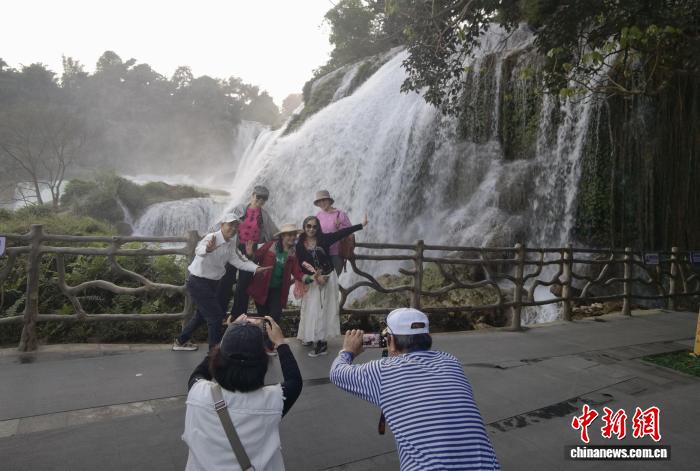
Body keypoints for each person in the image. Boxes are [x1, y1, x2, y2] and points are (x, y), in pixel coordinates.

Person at [330, 308, 501, 470]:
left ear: (390, 341)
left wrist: (348, 351)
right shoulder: (451, 362)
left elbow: (337, 372)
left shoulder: (382, 371)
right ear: (428, 337)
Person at [183, 315, 302, 471]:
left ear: (218, 359)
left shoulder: (198, 393)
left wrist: (228, 337)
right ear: (262, 364)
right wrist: (280, 342)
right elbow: (295, 381)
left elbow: (199, 373)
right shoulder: (273, 402)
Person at [173, 212, 271, 352]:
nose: (233, 228)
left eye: (236, 226)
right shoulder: (211, 237)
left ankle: (180, 341)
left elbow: (239, 261)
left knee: (201, 316)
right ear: (222, 225)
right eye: (230, 224)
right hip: (198, 282)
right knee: (215, 316)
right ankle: (214, 352)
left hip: (212, 284)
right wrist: (207, 249)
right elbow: (199, 249)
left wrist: (256, 268)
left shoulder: (230, 244)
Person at [296, 214, 367, 357]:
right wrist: (315, 277)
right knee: (311, 309)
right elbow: (302, 263)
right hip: (313, 279)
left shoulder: (324, 239)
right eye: (308, 226)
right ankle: (309, 336)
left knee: (322, 310)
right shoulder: (300, 244)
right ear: (304, 227)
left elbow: (342, 233)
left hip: (328, 277)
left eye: (314, 226)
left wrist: (361, 225)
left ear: (318, 228)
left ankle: (321, 344)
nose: (311, 229)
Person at [217, 185, 279, 317]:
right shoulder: (239, 209)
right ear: (252, 195)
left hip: (251, 250)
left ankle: (238, 316)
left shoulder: (264, 216)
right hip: (234, 247)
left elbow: (274, 232)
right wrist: (212, 236)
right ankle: (218, 313)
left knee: (244, 284)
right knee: (226, 279)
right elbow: (223, 222)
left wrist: (288, 239)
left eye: (264, 199)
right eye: (258, 197)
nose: (260, 200)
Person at [247, 223, 306, 325]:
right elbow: (256, 258)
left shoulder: (293, 253)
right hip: (261, 287)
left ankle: (271, 335)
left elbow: (297, 272)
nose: (292, 237)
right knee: (263, 317)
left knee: (275, 316)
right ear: (282, 236)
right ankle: (264, 335)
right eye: (289, 234)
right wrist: (250, 254)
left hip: (278, 290)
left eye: (294, 235)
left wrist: (311, 278)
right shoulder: (270, 245)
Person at [314, 190, 353, 275]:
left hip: (337, 253)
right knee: (323, 279)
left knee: (335, 278)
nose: (322, 203)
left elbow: (350, 232)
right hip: (322, 253)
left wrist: (340, 227)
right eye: (319, 201)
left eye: (324, 200)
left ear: (329, 200)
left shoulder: (340, 214)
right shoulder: (318, 216)